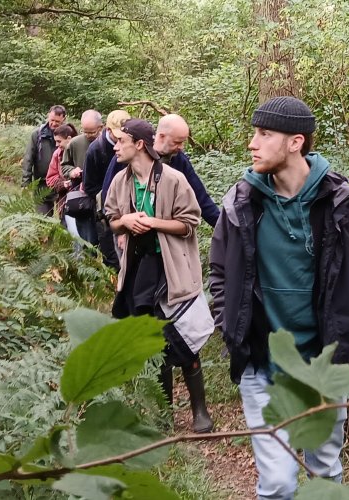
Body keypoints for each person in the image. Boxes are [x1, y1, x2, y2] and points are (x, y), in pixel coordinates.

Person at [208, 97, 349, 499]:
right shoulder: (242, 202)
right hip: (261, 364)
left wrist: (346, 338)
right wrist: (230, 326)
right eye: (254, 132)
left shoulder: (342, 205)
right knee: (277, 483)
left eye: (264, 134)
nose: (252, 143)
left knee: (324, 471)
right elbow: (219, 271)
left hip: (322, 366)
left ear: (295, 142)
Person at [105, 118, 214, 434]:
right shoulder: (120, 182)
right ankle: (164, 415)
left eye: (120, 142)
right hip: (139, 273)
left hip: (172, 271)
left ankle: (200, 412)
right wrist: (124, 220)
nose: (115, 147)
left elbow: (190, 222)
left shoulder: (174, 179)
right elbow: (112, 220)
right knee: (155, 343)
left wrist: (153, 223)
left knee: (184, 337)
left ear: (138, 144)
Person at [102, 114, 220, 228]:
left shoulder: (179, 159)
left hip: (165, 236)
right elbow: (109, 196)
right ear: (162, 137)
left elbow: (200, 197)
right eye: (177, 142)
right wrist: (121, 232)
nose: (181, 147)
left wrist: (224, 226)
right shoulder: (130, 155)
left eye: (183, 142)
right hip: (130, 231)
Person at [82, 110, 131, 271]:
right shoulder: (96, 149)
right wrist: (110, 200)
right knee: (112, 255)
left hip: (131, 209)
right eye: (118, 136)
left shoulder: (133, 145)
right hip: (104, 212)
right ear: (108, 130)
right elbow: (89, 186)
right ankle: (113, 290)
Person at [60, 110, 104, 245]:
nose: (88, 135)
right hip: (82, 199)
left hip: (103, 197)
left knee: (103, 237)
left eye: (92, 132)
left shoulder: (107, 143)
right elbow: (64, 165)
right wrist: (72, 171)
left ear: (100, 127)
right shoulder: (75, 143)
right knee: (86, 238)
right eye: (85, 131)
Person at [22, 105, 67, 216]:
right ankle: (45, 234)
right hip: (41, 183)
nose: (54, 123)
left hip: (63, 183)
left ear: (64, 119)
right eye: (52, 120)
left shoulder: (68, 135)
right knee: (43, 218)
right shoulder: (37, 135)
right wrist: (26, 181)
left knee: (66, 219)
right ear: (48, 116)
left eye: (57, 121)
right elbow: (28, 158)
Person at [45, 123, 79, 228]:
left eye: (59, 141)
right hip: (64, 202)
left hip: (84, 200)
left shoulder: (83, 149)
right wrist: (62, 184)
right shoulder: (57, 154)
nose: (56, 145)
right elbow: (50, 179)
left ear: (69, 138)